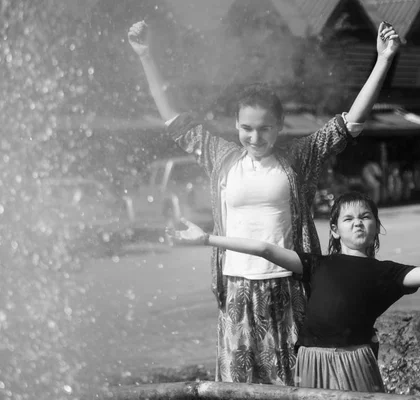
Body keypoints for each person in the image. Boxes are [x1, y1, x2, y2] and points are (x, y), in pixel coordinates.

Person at [127, 20, 402, 385]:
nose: (255, 137)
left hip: (286, 285)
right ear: (237, 125)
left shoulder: (297, 159)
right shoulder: (219, 156)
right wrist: (146, 55)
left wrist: (383, 59)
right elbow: (175, 122)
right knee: (236, 386)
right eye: (247, 128)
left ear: (280, 125)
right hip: (236, 287)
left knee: (292, 383)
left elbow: (350, 123)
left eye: (265, 128)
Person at [166, 191, 420, 392]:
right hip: (311, 357)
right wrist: (205, 238)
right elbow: (263, 249)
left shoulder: (387, 274)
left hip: (354, 358)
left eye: (366, 217)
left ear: (376, 227)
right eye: (349, 218)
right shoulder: (316, 264)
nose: (358, 222)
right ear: (336, 229)